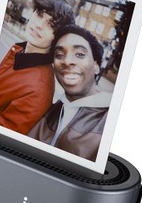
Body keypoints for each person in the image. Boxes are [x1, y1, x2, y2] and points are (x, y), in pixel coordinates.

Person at [0, 0, 75, 135]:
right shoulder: (20, 51)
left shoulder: (38, 90)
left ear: (58, 38)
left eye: (51, 25)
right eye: (39, 14)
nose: (39, 25)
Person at [29, 25, 111, 162]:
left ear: (96, 66)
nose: (67, 61)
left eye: (79, 54)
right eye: (59, 55)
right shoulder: (50, 108)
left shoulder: (109, 122)